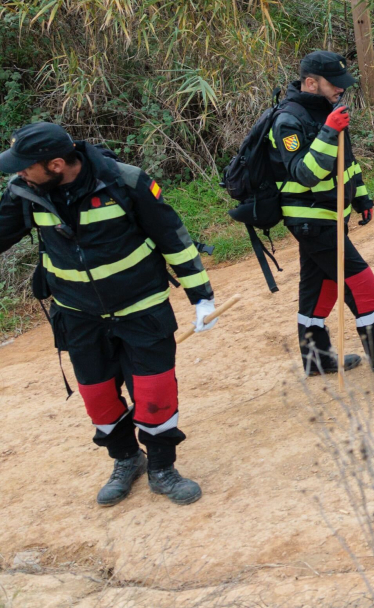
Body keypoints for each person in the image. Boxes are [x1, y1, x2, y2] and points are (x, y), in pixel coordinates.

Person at [0, 123, 214, 506]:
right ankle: (126, 460)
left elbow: (172, 235)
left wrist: (201, 295)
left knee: (154, 394)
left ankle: (162, 468)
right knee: (98, 397)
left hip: (142, 310)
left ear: (57, 164)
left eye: (24, 166)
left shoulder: (125, 182)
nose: (17, 173)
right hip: (77, 316)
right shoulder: (25, 191)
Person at [269, 50, 374, 375]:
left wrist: (362, 198)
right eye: (333, 83)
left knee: (321, 285)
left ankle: (316, 361)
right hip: (311, 218)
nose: (341, 89)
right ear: (310, 82)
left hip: (330, 214)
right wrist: (327, 131)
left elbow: (346, 162)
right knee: (359, 280)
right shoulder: (288, 121)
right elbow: (304, 174)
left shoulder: (329, 110)